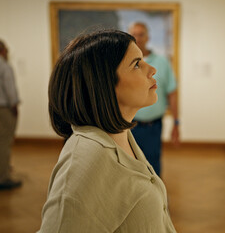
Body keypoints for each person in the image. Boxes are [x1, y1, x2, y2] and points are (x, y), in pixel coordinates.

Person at [38, 29, 176, 232]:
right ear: (103, 83)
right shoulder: (86, 158)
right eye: (137, 64)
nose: (152, 69)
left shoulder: (121, 134)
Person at [128, 22, 180, 177]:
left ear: (148, 37)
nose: (138, 38)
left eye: (141, 34)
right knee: (131, 166)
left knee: (153, 166)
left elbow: (172, 93)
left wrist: (176, 123)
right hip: (129, 126)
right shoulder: (125, 64)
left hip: (153, 126)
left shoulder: (162, 63)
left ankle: (156, 200)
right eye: (134, 35)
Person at [0, 40, 21, 190]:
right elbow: (9, 89)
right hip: (4, 108)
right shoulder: (5, 67)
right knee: (4, 142)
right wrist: (14, 105)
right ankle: (3, 177)